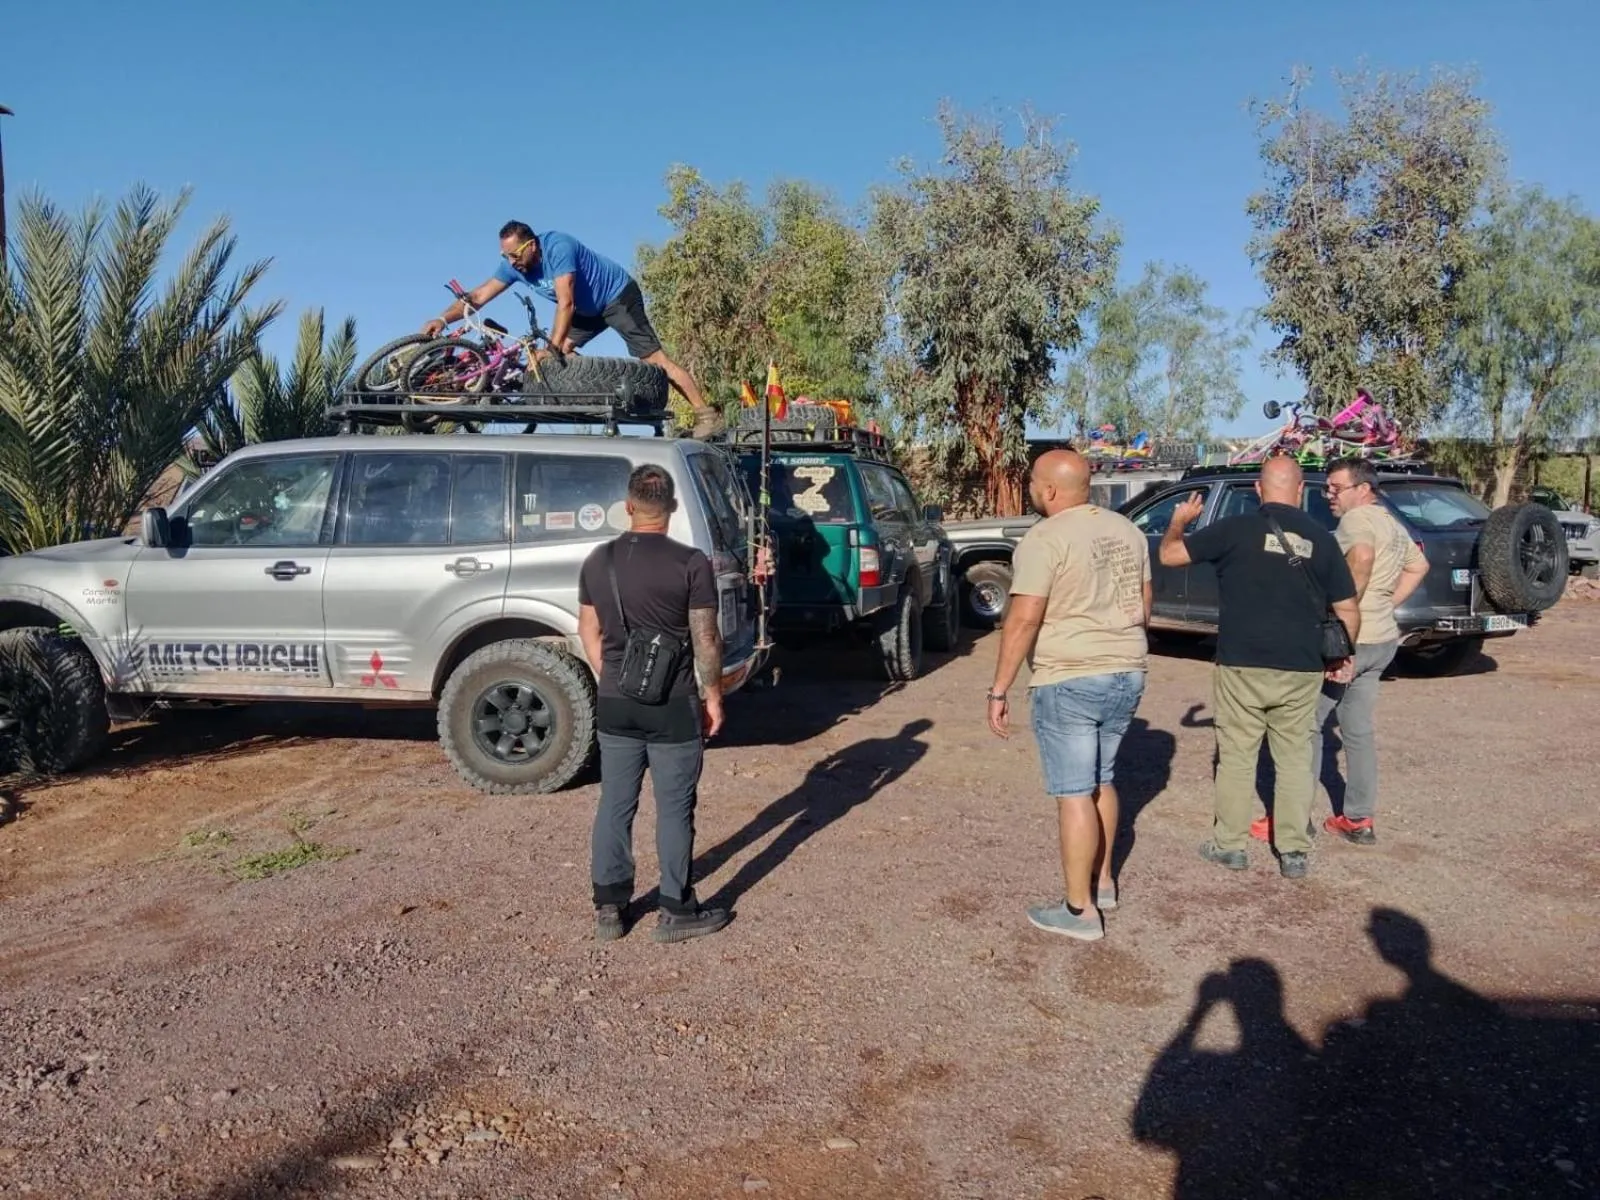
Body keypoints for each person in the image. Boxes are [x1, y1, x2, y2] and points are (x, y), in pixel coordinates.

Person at [1158, 456, 1359, 879]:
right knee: (1294, 759)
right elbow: (1347, 607)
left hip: (1241, 664)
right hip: (1302, 668)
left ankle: (1229, 847)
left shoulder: (1234, 530)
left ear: (1258, 491)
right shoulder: (1322, 539)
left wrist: (1179, 521)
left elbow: (1171, 556)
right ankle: (1293, 852)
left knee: (1236, 757)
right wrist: (1343, 655)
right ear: (1301, 490)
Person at [987, 449, 1152, 942]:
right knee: (1102, 780)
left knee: (1074, 791)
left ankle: (1078, 910)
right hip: (1127, 670)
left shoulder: (1044, 538)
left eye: (1034, 482)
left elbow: (1024, 617)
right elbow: (1144, 603)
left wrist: (999, 688)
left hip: (1069, 677)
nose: (1031, 489)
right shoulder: (1128, 531)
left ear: (1051, 490)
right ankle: (1103, 883)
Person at [577, 465, 729, 943]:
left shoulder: (597, 560)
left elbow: (588, 630)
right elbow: (706, 638)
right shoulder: (692, 562)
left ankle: (609, 909)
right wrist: (714, 695)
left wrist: (613, 675)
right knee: (674, 808)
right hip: (674, 704)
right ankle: (676, 911)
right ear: (673, 509)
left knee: (615, 804)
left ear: (628, 506)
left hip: (616, 702)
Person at [422, 221, 723, 439]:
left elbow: (564, 302)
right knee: (554, 357)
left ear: (533, 245)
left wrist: (553, 347)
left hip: (616, 296)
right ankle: (587, 384)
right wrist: (443, 319)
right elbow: (478, 297)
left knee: (654, 361)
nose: (513, 263)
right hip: (585, 309)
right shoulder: (514, 266)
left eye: (516, 255)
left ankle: (705, 415)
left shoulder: (558, 247)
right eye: (506, 257)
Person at [1310, 456, 1428, 844]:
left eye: (1336, 488)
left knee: (1307, 725)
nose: (1329, 495)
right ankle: (1359, 819)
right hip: (1381, 640)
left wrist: (1345, 621)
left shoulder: (1357, 520)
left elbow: (1360, 558)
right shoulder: (1391, 523)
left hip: (1352, 642)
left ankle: (1295, 818)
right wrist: (1384, 603)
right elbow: (1420, 566)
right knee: (1357, 730)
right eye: (1327, 487)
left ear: (1363, 489)